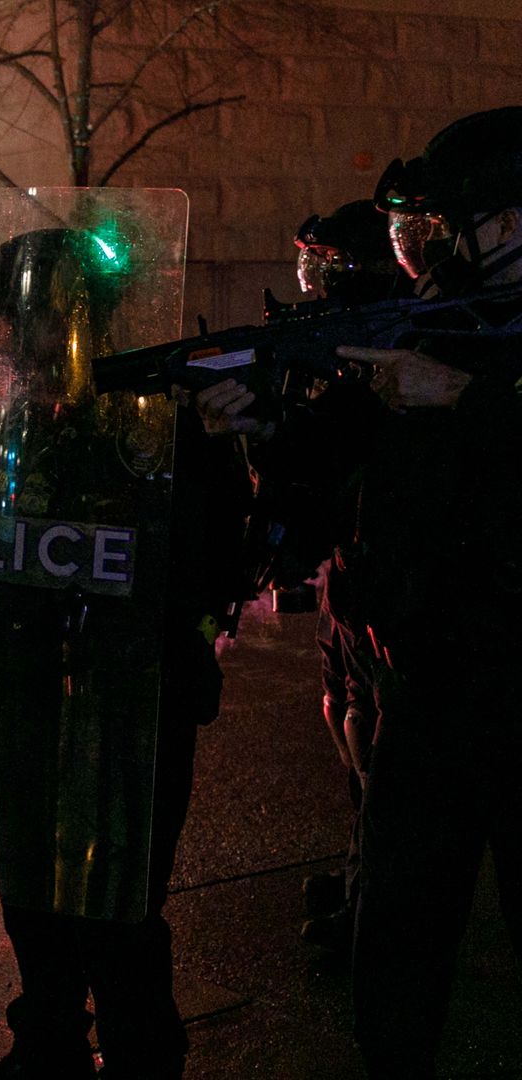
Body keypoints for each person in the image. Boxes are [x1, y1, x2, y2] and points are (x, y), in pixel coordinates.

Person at [201, 106, 522, 1079]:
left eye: (452, 222)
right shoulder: (436, 318)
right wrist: (258, 419)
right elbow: (331, 456)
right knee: (399, 921)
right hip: (429, 672)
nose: (433, 247)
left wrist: (467, 403)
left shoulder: (472, 345)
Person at [0, 228, 247, 1080]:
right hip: (33, 689)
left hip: (126, 700)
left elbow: (214, 558)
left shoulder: (156, 420)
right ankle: (52, 1042)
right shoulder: (20, 424)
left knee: (118, 904)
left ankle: (142, 1055)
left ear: (59, 321)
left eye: (11, 323)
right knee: (29, 880)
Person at [288, 200, 408, 954]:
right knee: (346, 722)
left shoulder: (396, 347)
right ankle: (364, 878)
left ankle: (379, 903)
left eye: (329, 266)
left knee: (373, 738)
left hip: (379, 579)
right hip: (348, 574)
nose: (316, 284)